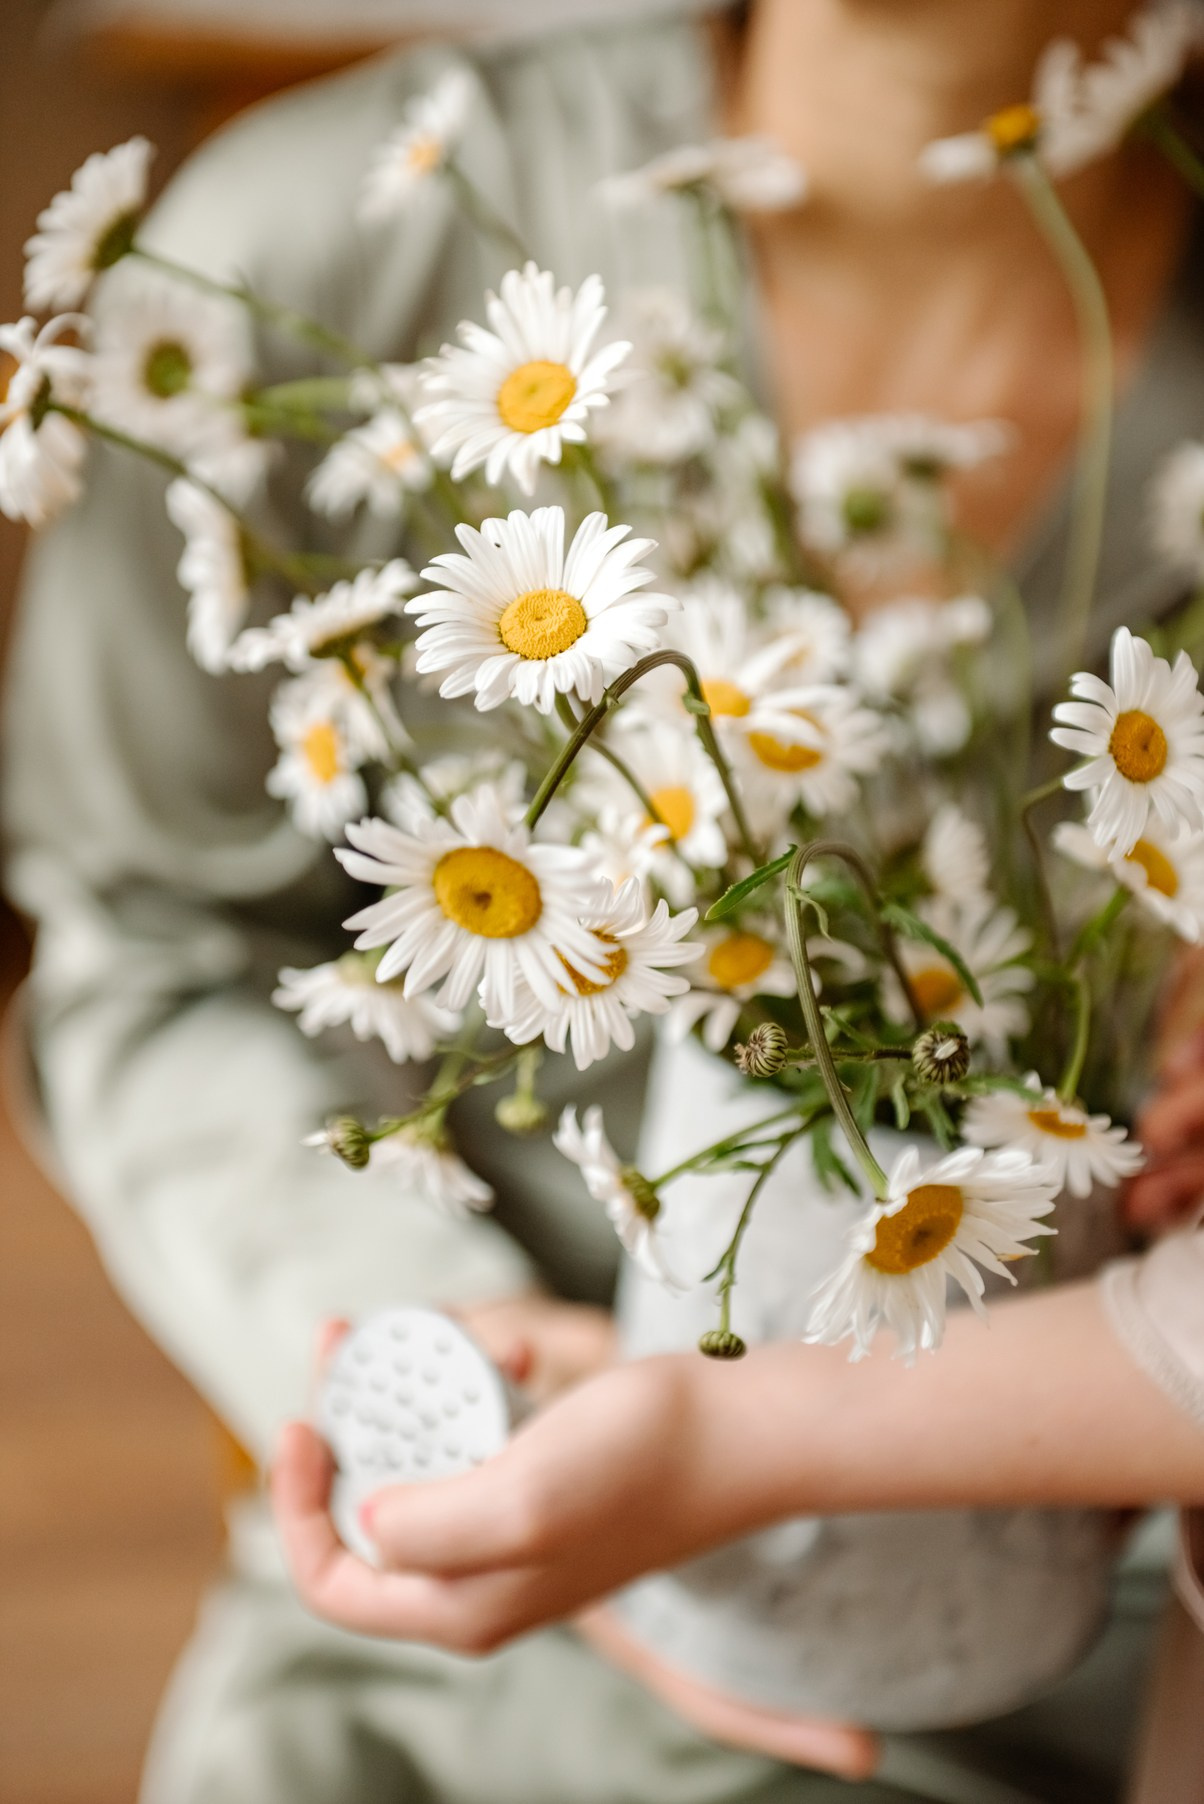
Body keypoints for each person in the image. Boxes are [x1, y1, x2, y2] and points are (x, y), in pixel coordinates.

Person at [4, 2, 1204, 1801]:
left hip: (1067, 1609)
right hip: (448, 1585)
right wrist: (441, 1385)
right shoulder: (335, 243)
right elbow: (147, 945)